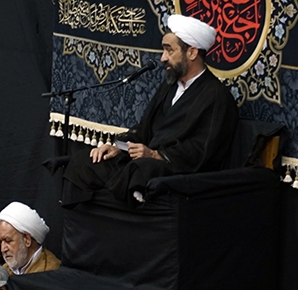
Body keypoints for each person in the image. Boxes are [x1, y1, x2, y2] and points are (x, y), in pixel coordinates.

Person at [62, 14, 239, 204]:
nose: (163, 58)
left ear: (192, 53)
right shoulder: (169, 87)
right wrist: (119, 148)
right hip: (145, 160)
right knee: (84, 160)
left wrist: (155, 155)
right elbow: (144, 128)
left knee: (141, 170)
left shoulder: (216, 97)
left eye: (169, 50)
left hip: (175, 169)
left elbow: (202, 151)